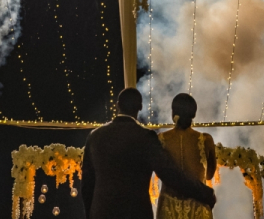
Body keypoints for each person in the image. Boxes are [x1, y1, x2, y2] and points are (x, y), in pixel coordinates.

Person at [82, 88, 216, 219]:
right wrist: (205, 193)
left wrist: (91, 214)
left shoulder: (94, 136)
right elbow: (170, 173)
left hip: (101, 213)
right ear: (140, 107)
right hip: (136, 213)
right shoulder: (145, 137)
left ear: (118, 105)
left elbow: (87, 184)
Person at [156, 93, 217, 219]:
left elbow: (159, 172)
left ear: (173, 114)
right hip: (198, 205)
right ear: (193, 114)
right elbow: (209, 175)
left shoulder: (161, 139)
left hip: (169, 207)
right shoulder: (205, 140)